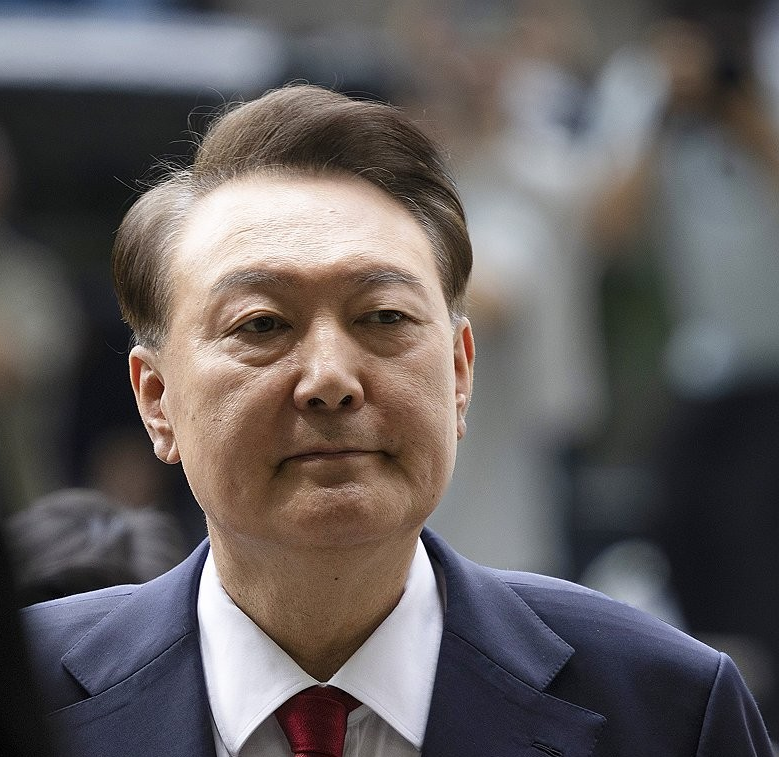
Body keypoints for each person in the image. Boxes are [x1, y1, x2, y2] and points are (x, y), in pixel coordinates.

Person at [21, 85, 772, 756]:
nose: (329, 379)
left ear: (458, 374)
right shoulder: (28, 702)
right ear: (157, 399)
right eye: (261, 325)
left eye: (383, 317)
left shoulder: (663, 707)